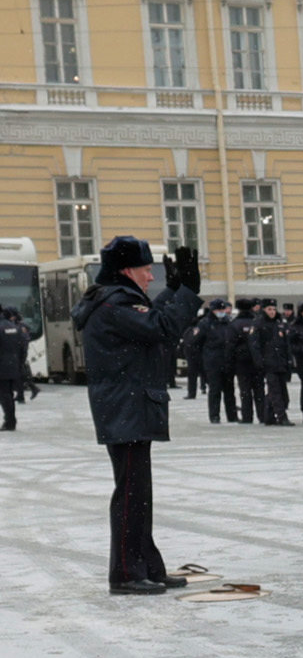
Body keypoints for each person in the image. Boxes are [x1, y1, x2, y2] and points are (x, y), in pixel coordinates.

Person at [79, 234, 199, 595]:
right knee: (132, 496)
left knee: (138, 495)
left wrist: (174, 292)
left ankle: (146, 566)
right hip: (125, 409)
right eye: (147, 271)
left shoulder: (115, 302)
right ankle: (127, 574)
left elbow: (149, 316)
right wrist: (189, 291)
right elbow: (160, 327)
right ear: (127, 270)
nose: (151, 278)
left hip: (126, 407)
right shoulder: (115, 305)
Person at [0, 299, 29, 430]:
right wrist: (20, 362)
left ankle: (10, 421)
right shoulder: (12, 326)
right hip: (13, 364)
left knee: (5, 394)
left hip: (2, 366)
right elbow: (22, 345)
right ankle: (10, 420)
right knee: (8, 394)